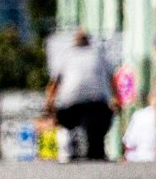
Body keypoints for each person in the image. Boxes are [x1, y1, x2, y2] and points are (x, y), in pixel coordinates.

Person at [47, 29, 115, 161]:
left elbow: (54, 83)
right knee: (102, 120)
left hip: (70, 105)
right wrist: (115, 98)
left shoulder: (66, 55)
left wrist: (49, 102)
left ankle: (71, 141)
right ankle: (97, 148)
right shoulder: (98, 54)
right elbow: (111, 78)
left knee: (66, 118)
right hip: (96, 105)